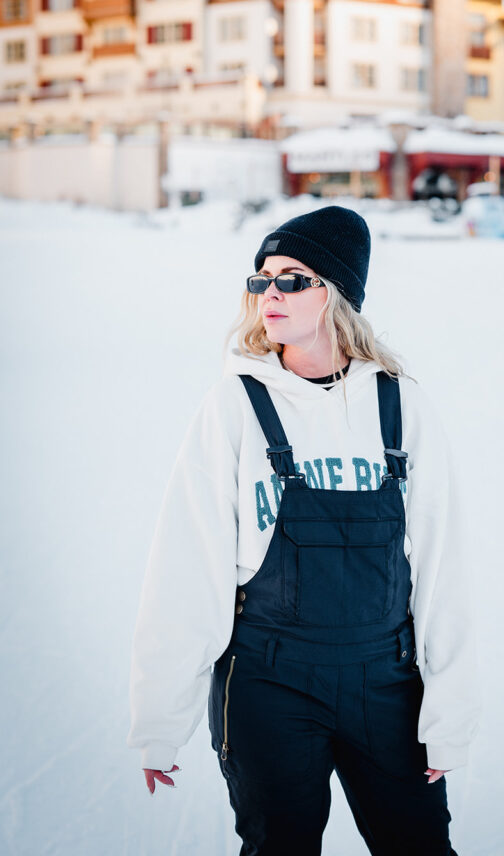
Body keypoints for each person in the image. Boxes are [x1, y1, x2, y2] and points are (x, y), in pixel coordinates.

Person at [128, 204, 480, 855]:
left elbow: (443, 569)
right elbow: (185, 568)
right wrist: (158, 721)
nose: (270, 294)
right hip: (268, 683)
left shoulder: (399, 407)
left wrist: (449, 716)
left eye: (293, 277)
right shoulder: (235, 405)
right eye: (262, 278)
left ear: (335, 292)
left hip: (386, 682)